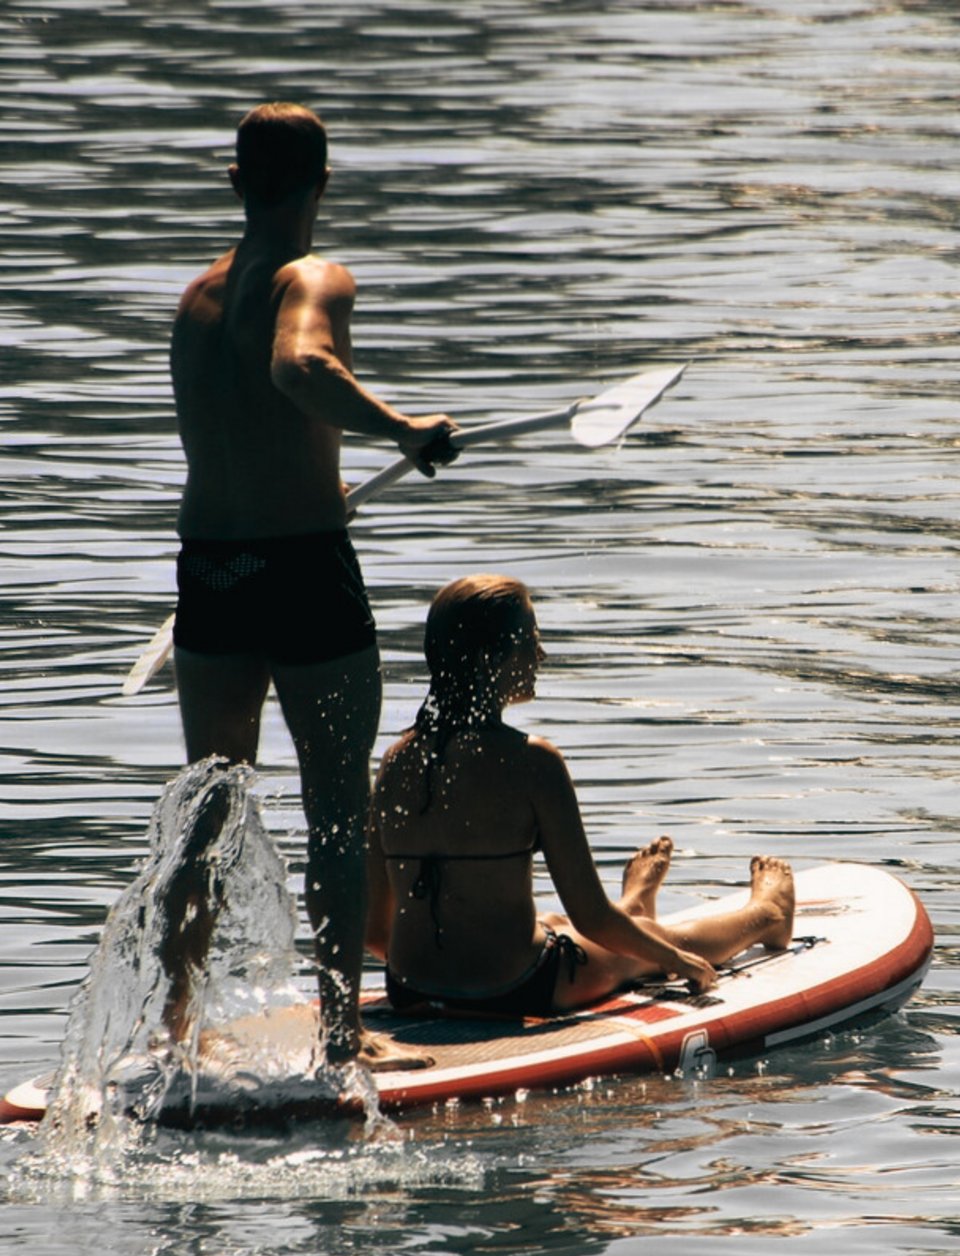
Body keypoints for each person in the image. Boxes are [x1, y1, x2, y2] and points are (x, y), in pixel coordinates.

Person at [167, 102, 457, 1068]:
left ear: (235, 182)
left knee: (208, 809)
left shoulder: (196, 298)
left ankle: (173, 1032)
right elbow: (299, 366)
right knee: (337, 806)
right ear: (322, 184)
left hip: (210, 571)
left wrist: (317, 476)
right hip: (299, 571)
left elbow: (238, 436)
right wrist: (405, 429)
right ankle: (343, 1034)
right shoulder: (315, 275)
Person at [365, 575, 795, 1016]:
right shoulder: (533, 762)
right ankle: (768, 915)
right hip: (517, 987)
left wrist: (444, 966)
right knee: (650, 942)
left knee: (553, 923)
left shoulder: (396, 760)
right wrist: (677, 962)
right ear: (491, 658)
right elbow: (591, 916)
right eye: (531, 640)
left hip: (409, 988)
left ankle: (632, 905)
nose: (541, 654)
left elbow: (374, 931)